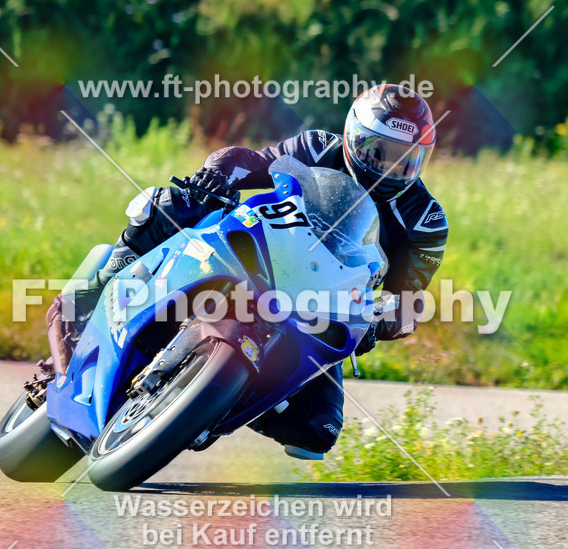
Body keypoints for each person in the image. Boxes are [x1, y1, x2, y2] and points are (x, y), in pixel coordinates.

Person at [43, 84, 447, 459]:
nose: (391, 169)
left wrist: (388, 318)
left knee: (316, 429)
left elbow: (409, 294)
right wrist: (217, 175)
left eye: (406, 160)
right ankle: (89, 298)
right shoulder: (317, 147)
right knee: (173, 203)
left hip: (318, 304)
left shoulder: (425, 220)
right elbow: (252, 162)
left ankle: (209, 406)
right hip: (257, 253)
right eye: (380, 151)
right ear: (353, 138)